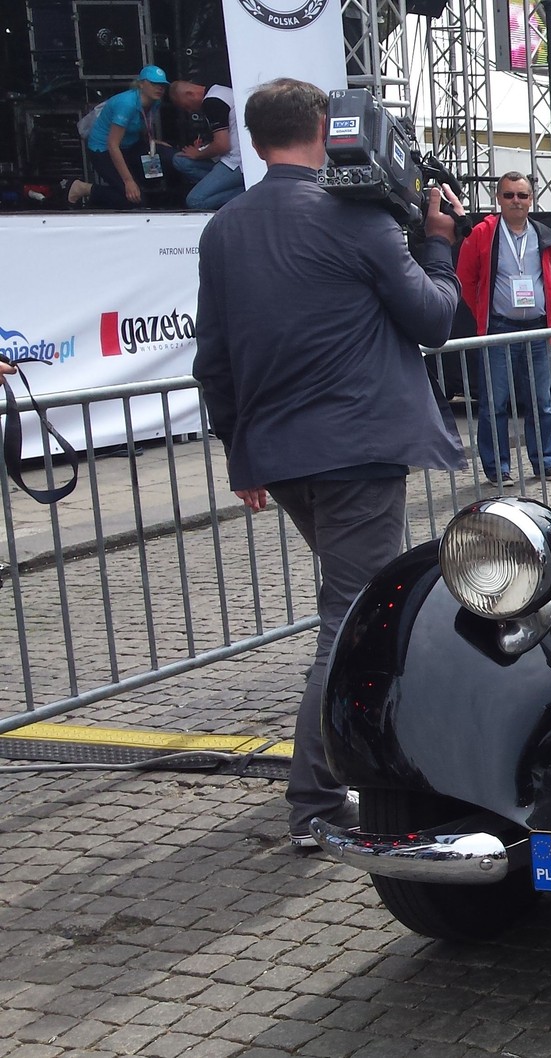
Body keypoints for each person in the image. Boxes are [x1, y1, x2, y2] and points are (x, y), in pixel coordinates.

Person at [191, 78, 467, 847]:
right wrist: (438, 241)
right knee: (350, 622)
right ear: (324, 126)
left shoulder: (224, 228)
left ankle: (367, 756)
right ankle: (316, 801)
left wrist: (237, 450)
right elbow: (435, 318)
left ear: (251, 140)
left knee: (365, 603)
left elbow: (212, 359)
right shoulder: (358, 217)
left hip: (279, 458)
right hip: (355, 453)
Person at [456, 171, 551, 486]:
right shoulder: (483, 234)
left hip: (538, 330)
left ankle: (545, 462)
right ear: (498, 199)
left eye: (522, 195)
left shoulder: (544, 235)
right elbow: (466, 278)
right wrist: (485, 315)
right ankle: (497, 468)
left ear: (531, 199)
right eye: (509, 195)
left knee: (541, 401)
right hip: (500, 329)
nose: (516, 201)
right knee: (494, 404)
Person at [76, 66, 168, 209]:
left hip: (130, 144)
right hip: (104, 149)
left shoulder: (155, 102)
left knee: (164, 156)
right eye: (154, 84)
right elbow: (113, 145)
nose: (159, 88)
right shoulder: (126, 104)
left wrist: (152, 142)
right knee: (134, 199)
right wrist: (128, 181)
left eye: (162, 85)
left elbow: (142, 123)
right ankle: (84, 189)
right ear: (141, 84)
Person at [166, 77, 246, 211]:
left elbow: (222, 145)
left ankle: (247, 192)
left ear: (189, 94)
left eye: (186, 106)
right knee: (180, 160)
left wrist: (198, 154)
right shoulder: (217, 91)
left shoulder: (212, 102)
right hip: (229, 157)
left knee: (195, 201)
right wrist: (204, 149)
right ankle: (216, 188)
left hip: (237, 162)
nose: (189, 111)